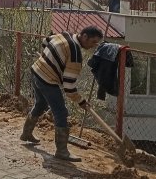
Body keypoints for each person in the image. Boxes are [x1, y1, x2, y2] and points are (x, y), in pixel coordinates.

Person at [20, 25, 104, 162]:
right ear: (84, 37)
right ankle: (62, 151)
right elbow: (69, 87)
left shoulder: (65, 35)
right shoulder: (75, 54)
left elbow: (46, 41)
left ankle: (26, 133)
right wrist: (81, 102)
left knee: (41, 104)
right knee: (61, 112)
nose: (94, 46)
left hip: (36, 70)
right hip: (47, 80)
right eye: (93, 42)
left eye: (97, 43)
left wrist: (48, 58)